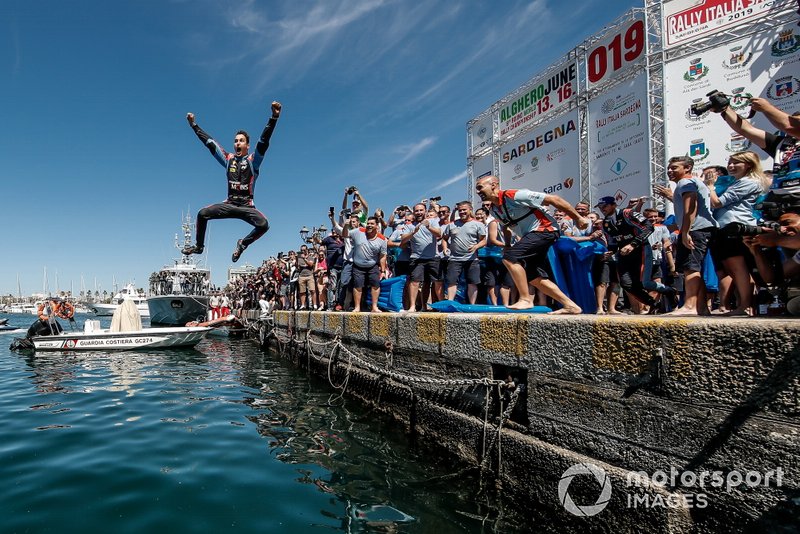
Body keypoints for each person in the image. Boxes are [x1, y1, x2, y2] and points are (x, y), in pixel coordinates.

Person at [182, 101, 282, 262]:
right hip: (229, 204)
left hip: (246, 206)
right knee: (202, 214)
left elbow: (264, 142)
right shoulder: (228, 160)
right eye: (235, 141)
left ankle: (242, 244)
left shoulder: (253, 161)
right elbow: (210, 143)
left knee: (264, 225)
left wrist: (274, 118)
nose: (237, 143)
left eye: (241, 141)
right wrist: (194, 125)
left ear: (247, 146)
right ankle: (199, 247)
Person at [475, 175, 588, 312]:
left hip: (546, 229)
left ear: (493, 185)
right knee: (533, 276)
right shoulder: (494, 209)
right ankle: (570, 305)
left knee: (510, 258)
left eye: (480, 187)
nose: (477, 192)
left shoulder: (513, 195)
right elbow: (506, 226)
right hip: (532, 235)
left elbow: (554, 199)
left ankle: (525, 299)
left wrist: (578, 218)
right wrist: (507, 245)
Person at [707, 151, 770, 316]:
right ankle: (744, 305)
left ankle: (745, 306)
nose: (731, 166)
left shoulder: (749, 182)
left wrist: (710, 186)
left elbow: (717, 203)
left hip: (735, 227)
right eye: (730, 162)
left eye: (737, 163)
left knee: (738, 268)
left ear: (748, 164)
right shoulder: (737, 181)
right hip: (726, 227)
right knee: (733, 269)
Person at [655, 156, 718, 316]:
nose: (670, 171)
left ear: (687, 168)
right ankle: (702, 307)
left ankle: (690, 306)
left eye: (674, 167)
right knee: (694, 267)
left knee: (691, 267)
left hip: (695, 230)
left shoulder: (685, 183)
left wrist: (686, 232)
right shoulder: (692, 183)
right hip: (700, 229)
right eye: (669, 168)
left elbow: (691, 207)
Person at [595, 196, 675, 313]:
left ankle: (669, 291)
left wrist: (633, 244)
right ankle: (653, 304)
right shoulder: (606, 223)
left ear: (614, 205)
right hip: (624, 254)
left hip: (641, 250)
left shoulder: (627, 213)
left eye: (605, 206)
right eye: (600, 207)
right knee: (626, 284)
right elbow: (614, 241)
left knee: (645, 282)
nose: (602, 209)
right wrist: (609, 253)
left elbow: (649, 227)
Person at [441, 201, 487, 303]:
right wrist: (444, 248)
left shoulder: (478, 225)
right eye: (460, 210)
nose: (462, 212)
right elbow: (444, 239)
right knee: (451, 281)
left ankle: (472, 305)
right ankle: (450, 303)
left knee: (472, 282)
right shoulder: (451, 225)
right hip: (454, 259)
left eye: (464, 209)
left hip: (472, 259)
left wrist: (476, 246)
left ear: (470, 210)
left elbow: (484, 240)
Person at [342, 216, 388, 313]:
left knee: (375, 285)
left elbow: (383, 256)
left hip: (373, 265)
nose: (369, 225)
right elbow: (345, 235)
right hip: (358, 265)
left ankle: (374, 307)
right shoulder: (359, 231)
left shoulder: (382, 239)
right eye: (368, 223)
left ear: (377, 226)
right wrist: (346, 226)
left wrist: (383, 271)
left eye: (372, 224)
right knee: (357, 285)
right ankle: (357, 307)